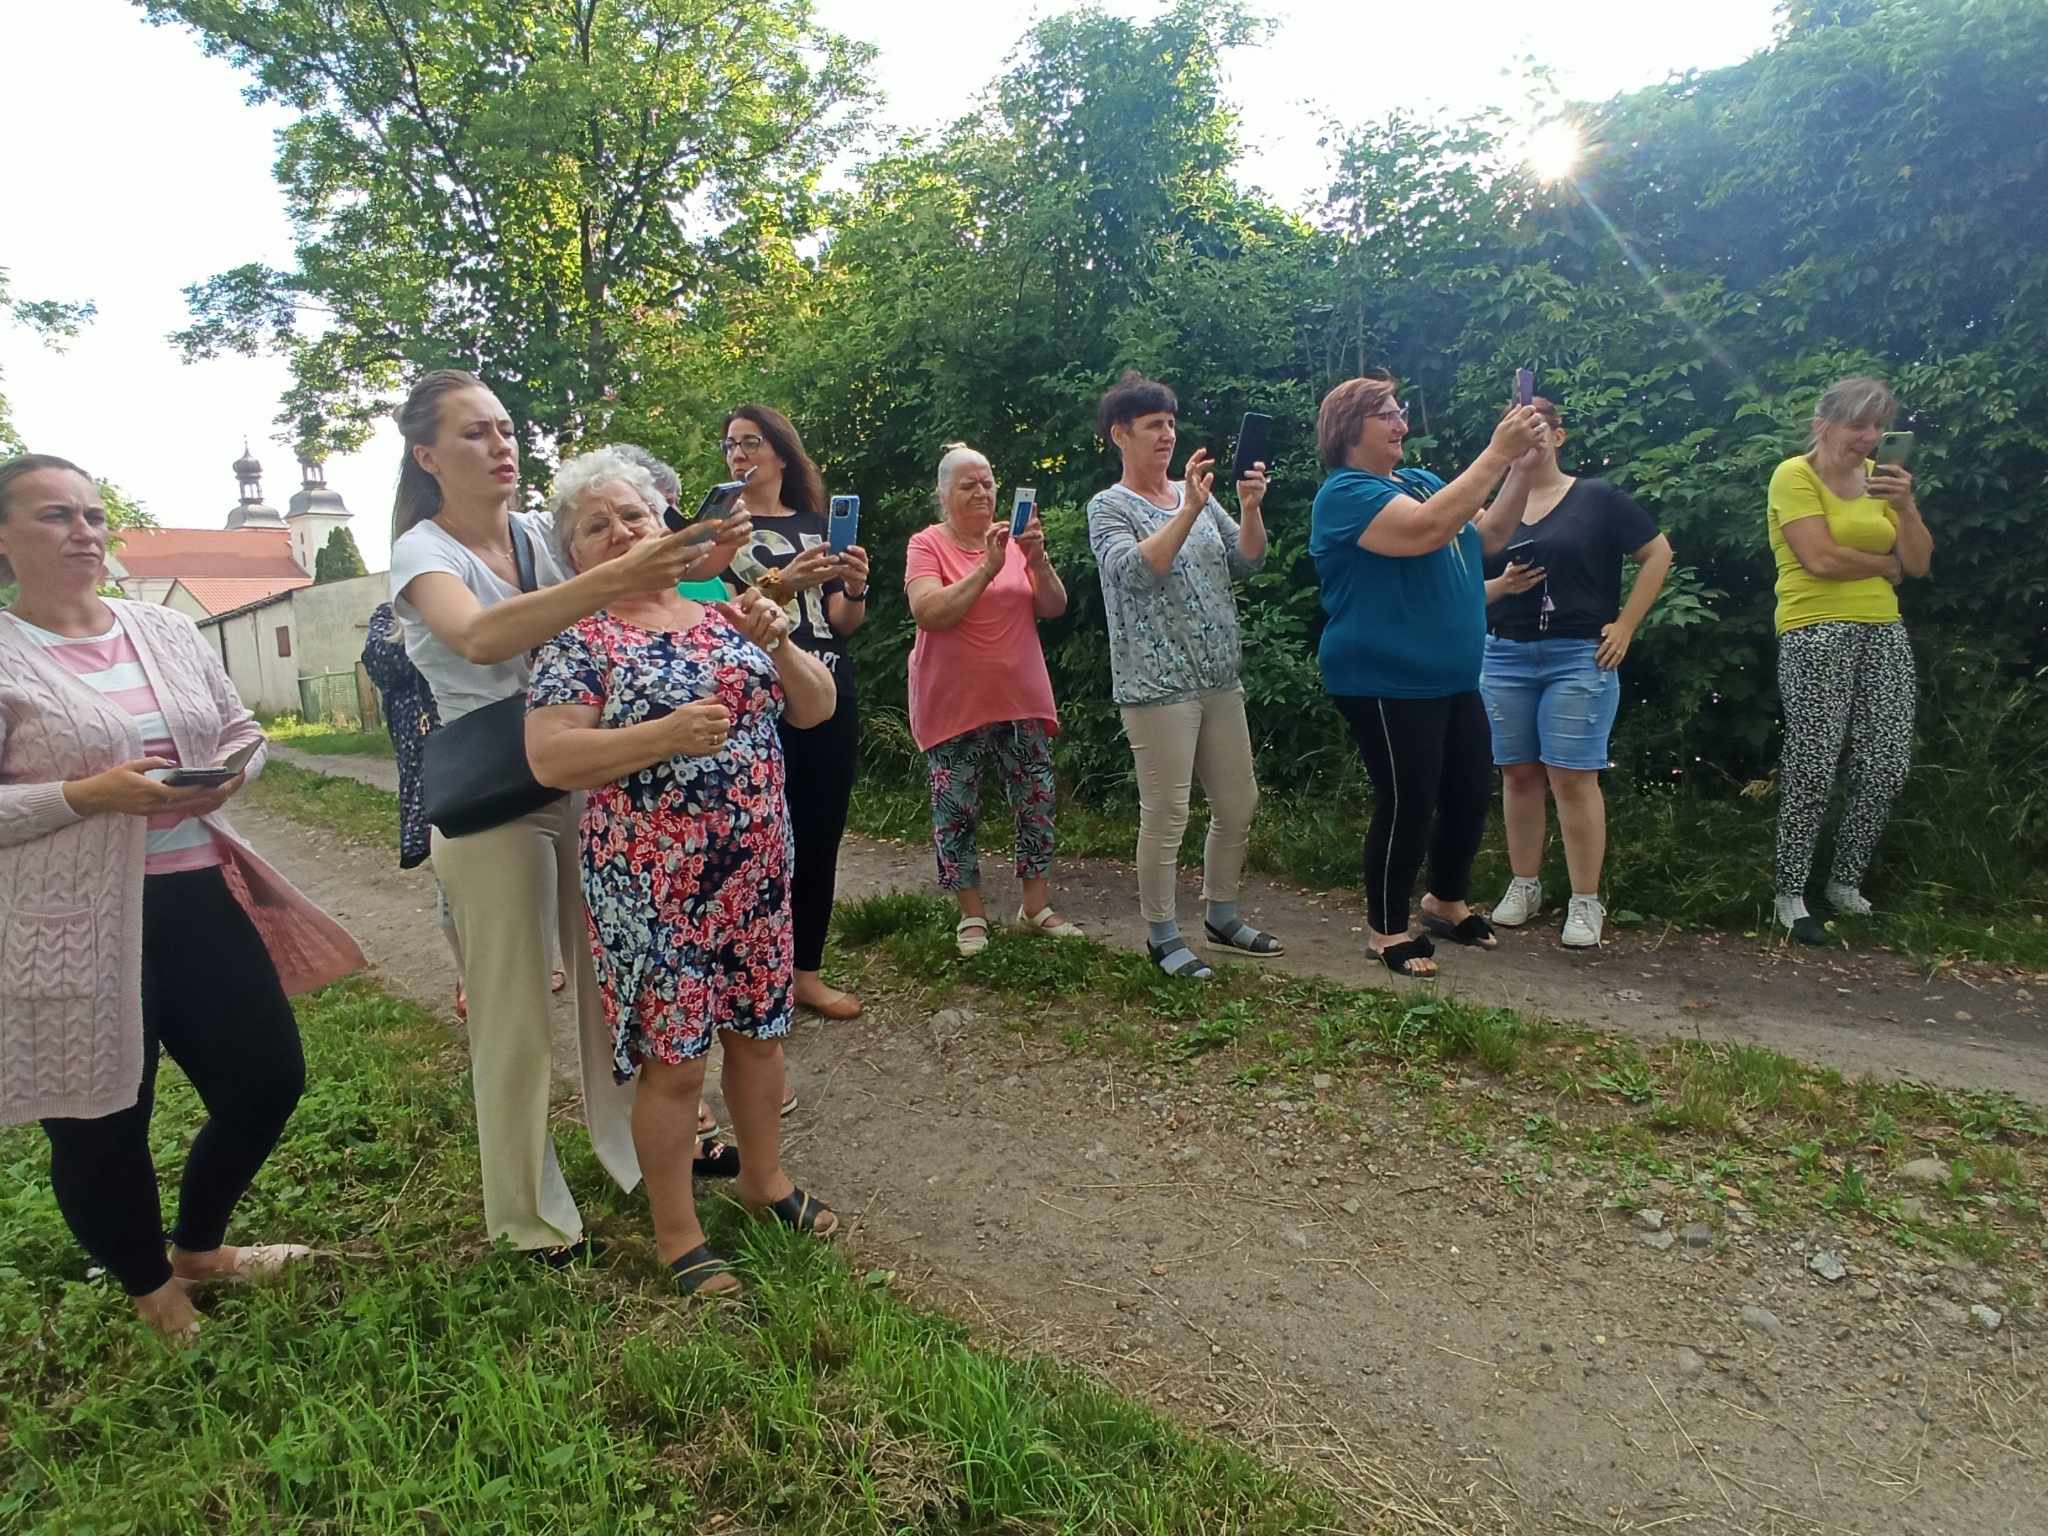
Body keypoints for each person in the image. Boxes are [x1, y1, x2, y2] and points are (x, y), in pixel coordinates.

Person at [0, 452, 365, 1342]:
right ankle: (149, 1285)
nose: (83, 532)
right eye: (55, 516)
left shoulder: (160, 630)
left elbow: (239, 726)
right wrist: (90, 795)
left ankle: (200, 1248)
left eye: (91, 515)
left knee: (267, 1078)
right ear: (5, 538)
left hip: (197, 893)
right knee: (97, 1116)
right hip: (68, 922)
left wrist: (234, 772)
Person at [386, 369, 746, 1262]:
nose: (501, 444)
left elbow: (614, 596)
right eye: (475, 433)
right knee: (512, 1013)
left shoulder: (531, 538)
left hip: (581, 775)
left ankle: (629, 1154)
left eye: (506, 427)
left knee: (604, 991)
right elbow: (479, 637)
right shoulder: (421, 551)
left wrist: (696, 562)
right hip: (492, 794)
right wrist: (622, 572)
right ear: (427, 456)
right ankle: (526, 1215)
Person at [526, 448, 844, 1298]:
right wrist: (662, 735)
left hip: (754, 869)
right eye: (597, 526)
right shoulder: (578, 639)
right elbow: (551, 756)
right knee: (675, 1062)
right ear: (577, 558)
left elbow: (814, 709)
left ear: (665, 521)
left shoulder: (720, 610)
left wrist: (778, 644)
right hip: (649, 883)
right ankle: (677, 1232)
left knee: (761, 1033)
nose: (623, 530)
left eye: (633, 514)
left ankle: (763, 1181)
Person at [1309, 379, 1547, 977]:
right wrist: (1495, 452)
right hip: (1384, 679)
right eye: (1383, 414)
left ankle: (1444, 900)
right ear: (1347, 429)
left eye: (1399, 411)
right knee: (1409, 800)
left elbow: (1486, 536)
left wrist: (1519, 465)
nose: (1398, 421)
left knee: (1468, 790)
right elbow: (1424, 532)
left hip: (1451, 677)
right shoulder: (1344, 494)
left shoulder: (1418, 481)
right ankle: (1386, 931)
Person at [1087, 372, 1280, 980]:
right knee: (1166, 814)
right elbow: (1135, 573)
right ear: (1122, 434)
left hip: (1219, 677)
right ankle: (1162, 934)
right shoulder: (1109, 506)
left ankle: (1222, 914)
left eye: (1170, 423)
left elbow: (1250, 560)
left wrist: (1248, 508)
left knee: (1237, 802)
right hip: (1156, 686)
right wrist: (1190, 506)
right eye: (1153, 425)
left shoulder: (1195, 494)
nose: (1167, 434)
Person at [1479, 397, 1673, 949]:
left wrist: (1626, 625)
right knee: (1516, 774)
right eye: (1520, 424)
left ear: (1558, 436)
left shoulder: (1598, 498)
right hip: (1505, 653)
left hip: (1577, 655)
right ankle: (1525, 885)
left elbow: (1658, 554)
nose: (1530, 434)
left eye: (1540, 425)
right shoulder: (1494, 508)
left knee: (1571, 776)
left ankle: (1586, 900)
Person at [1766, 376, 1932, 944]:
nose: (1870, 437)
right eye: (1859, 424)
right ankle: (1789, 894)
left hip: (1883, 628)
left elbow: (1920, 561)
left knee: (1886, 763)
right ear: (1824, 425)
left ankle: (1843, 881)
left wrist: (1905, 509)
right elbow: (1819, 559)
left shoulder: (1883, 484)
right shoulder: (1795, 475)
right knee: (1813, 761)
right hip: (1814, 628)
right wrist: (1885, 567)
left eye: (1879, 426)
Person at [717, 406, 871, 1020]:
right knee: (755, 838)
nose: (738, 454)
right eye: (730, 444)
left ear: (781, 453)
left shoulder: (816, 523)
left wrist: (855, 586)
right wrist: (784, 582)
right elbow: (718, 615)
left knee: (819, 836)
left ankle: (805, 971)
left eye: (750, 442)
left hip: (831, 691)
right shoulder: (719, 532)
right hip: (757, 702)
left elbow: (843, 624)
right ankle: (753, 974)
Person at [905, 443, 1080, 956]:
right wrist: (987, 567)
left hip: (1020, 698)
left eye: (987, 483)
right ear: (944, 495)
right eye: (968, 484)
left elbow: (1053, 606)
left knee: (1036, 802)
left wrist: (1037, 559)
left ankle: (1035, 908)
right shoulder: (927, 544)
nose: (981, 492)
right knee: (956, 809)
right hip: (954, 703)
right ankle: (972, 916)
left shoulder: (1014, 540)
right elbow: (930, 612)